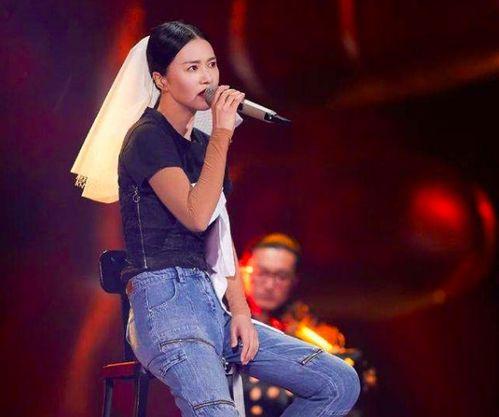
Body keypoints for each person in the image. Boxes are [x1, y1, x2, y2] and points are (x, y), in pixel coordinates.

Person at [73, 21, 360, 417]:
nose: (207, 78)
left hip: (213, 306)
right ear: (161, 80)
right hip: (165, 307)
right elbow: (196, 215)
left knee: (338, 381)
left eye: (211, 65)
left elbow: (218, 235)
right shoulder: (147, 137)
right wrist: (223, 135)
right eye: (192, 68)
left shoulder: (203, 145)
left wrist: (240, 310)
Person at [240, 233, 377, 416]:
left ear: (294, 281)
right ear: (243, 271)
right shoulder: (220, 323)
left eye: (281, 276)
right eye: (262, 273)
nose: (270, 285)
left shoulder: (314, 338)